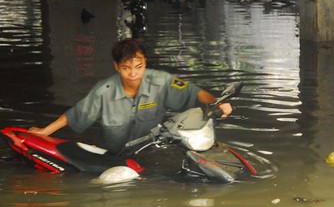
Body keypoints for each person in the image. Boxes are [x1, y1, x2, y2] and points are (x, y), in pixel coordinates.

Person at [29, 38, 232, 154]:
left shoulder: (161, 81)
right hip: (110, 156)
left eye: (139, 67)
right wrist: (45, 132)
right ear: (117, 66)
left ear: (145, 63)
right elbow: (76, 113)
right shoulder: (104, 90)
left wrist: (217, 103)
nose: (133, 74)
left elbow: (195, 93)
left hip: (148, 154)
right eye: (126, 68)